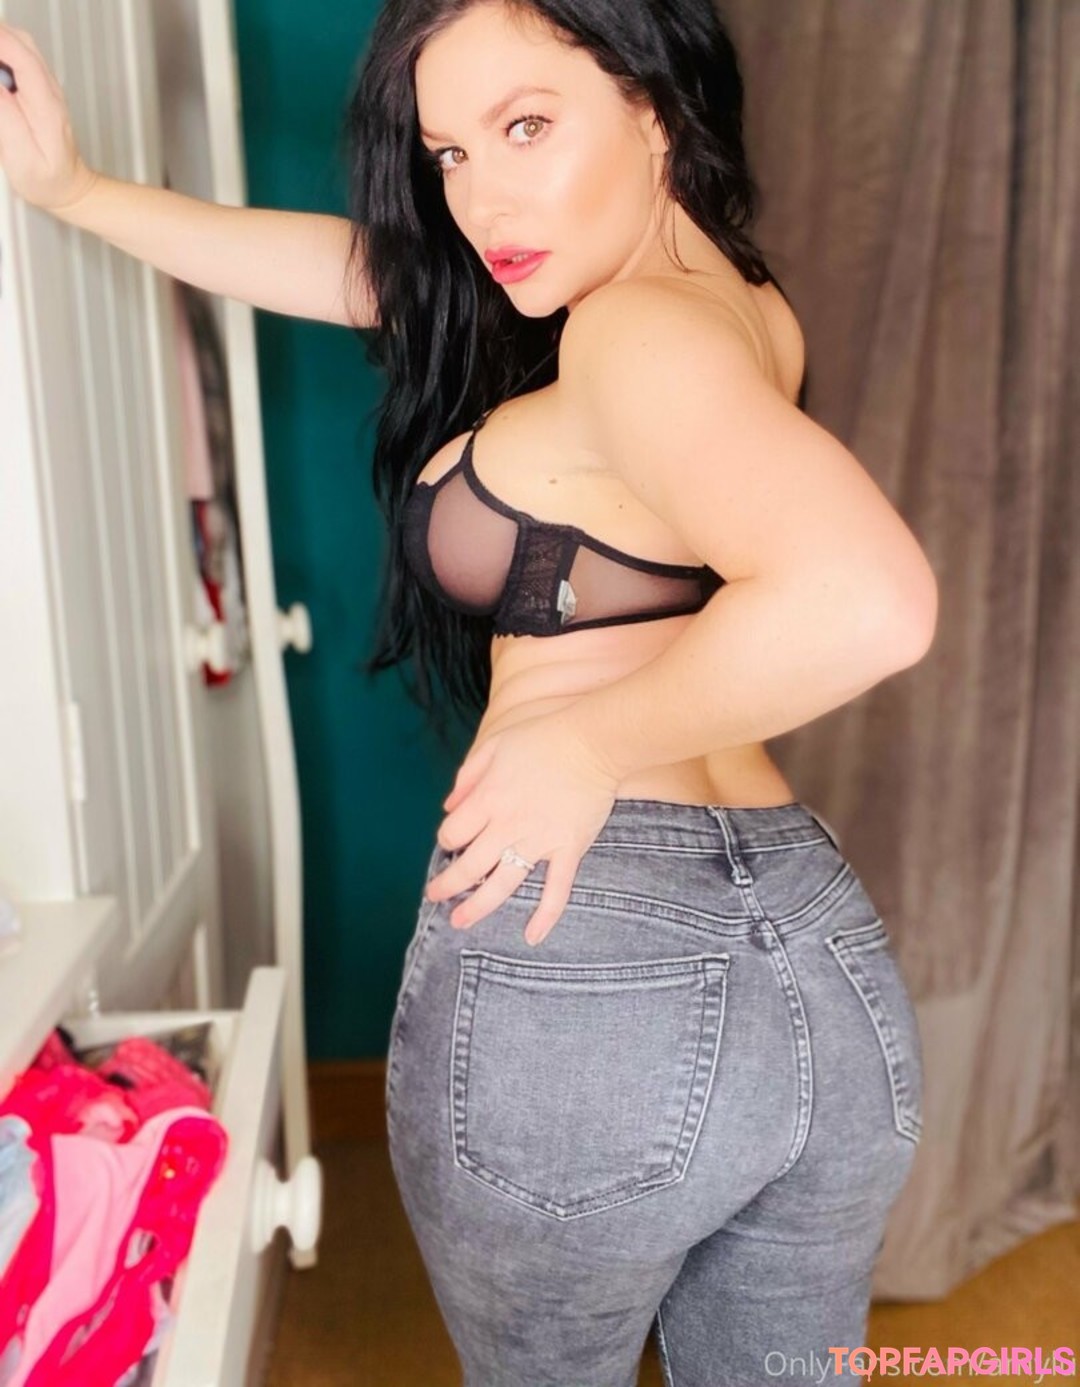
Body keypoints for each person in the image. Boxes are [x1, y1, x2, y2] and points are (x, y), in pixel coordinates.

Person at [0, 3, 938, 1383]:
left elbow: (870, 598)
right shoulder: (719, 301)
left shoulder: (635, 336)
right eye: (449, 153)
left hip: (597, 952)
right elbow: (360, 273)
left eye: (526, 126)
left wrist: (590, 743)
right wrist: (75, 190)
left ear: (652, 104)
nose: (481, 199)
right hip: (814, 955)